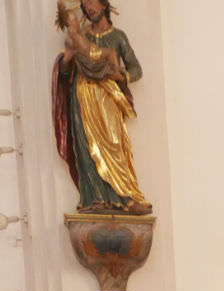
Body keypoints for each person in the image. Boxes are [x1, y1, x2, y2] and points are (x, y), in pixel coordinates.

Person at [52, 0, 151, 216]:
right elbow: (66, 75)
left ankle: (127, 197)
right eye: (85, 4)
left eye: (93, 2)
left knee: (114, 144)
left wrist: (117, 75)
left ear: (104, 5)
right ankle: (94, 198)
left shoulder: (118, 37)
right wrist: (67, 59)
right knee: (87, 147)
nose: (89, 8)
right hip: (83, 97)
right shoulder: (81, 35)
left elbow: (136, 70)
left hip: (107, 97)